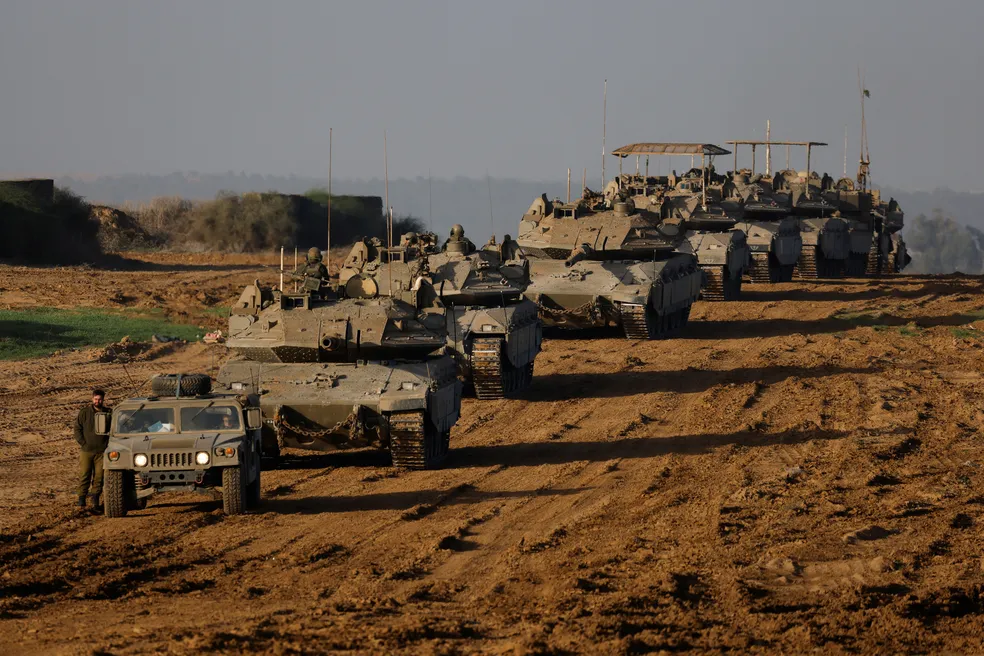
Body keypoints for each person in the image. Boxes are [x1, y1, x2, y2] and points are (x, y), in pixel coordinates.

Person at [74, 389, 110, 510]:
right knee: (84, 475)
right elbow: (77, 429)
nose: (97, 401)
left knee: (99, 477)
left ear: (103, 400)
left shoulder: (108, 413)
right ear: (92, 399)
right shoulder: (85, 413)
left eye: (99, 399)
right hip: (87, 451)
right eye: (95, 399)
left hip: (102, 451)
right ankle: (81, 500)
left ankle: (95, 500)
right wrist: (83, 443)